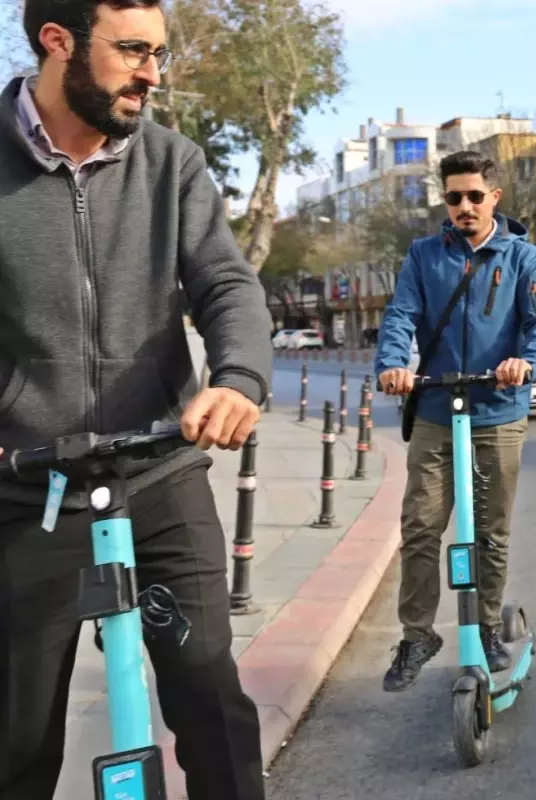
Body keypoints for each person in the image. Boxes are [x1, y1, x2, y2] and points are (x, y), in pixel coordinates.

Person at [0, 1, 272, 798]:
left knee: (214, 705)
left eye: (159, 52)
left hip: (159, 477)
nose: (153, 73)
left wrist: (238, 379)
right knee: (14, 743)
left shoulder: (171, 162)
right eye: (132, 51)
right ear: (59, 44)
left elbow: (225, 283)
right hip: (28, 489)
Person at [374, 151, 536, 692]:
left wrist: (526, 363)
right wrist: (391, 365)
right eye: (454, 197)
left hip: (497, 410)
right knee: (421, 527)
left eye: (475, 195)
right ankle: (416, 635)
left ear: (494, 198)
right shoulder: (424, 255)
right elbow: (401, 316)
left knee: (489, 534)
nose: (464, 206)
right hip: (435, 410)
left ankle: (484, 628)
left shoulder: (522, 257)